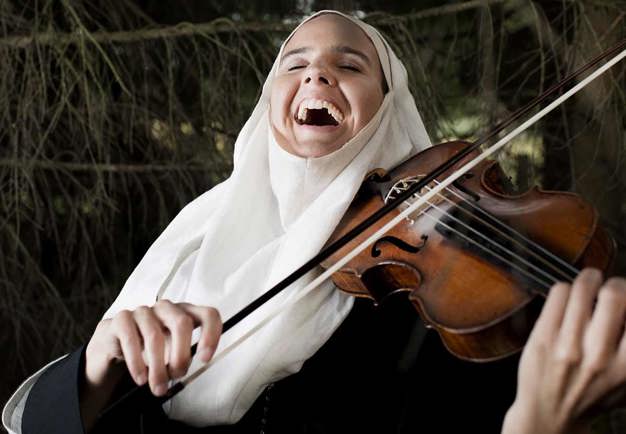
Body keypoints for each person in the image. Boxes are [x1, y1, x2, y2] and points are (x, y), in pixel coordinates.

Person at [3, 10, 626, 434]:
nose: (316, 74)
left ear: (389, 110)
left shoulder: (446, 299)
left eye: (350, 66)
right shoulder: (192, 246)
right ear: (269, 101)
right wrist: (95, 374)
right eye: (293, 64)